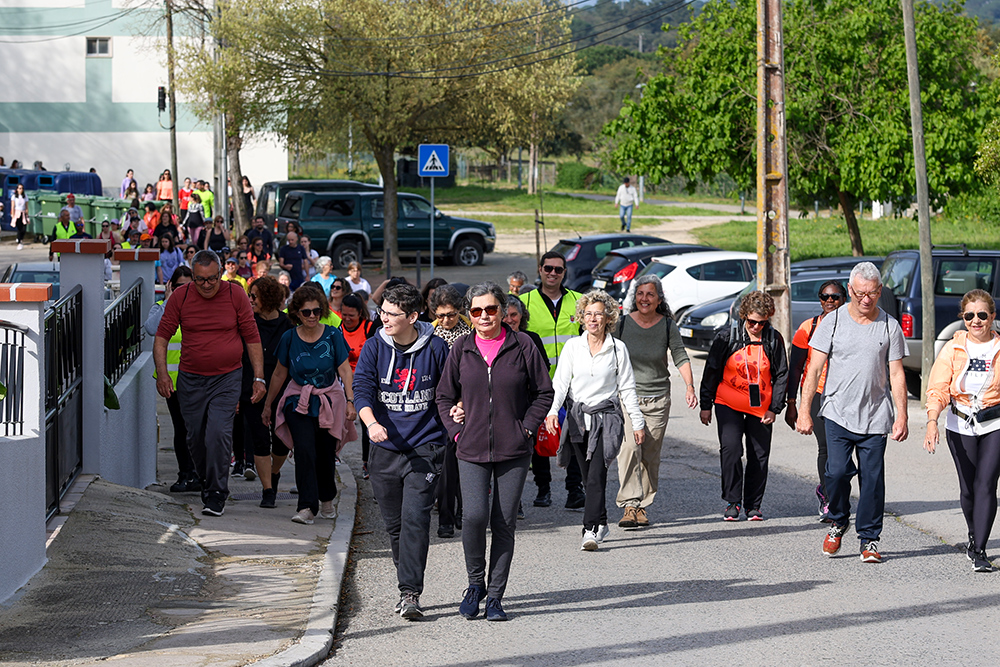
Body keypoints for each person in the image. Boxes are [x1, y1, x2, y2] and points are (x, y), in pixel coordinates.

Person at [436, 283, 553, 621]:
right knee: (473, 517)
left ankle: (496, 597)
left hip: (514, 449)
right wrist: (457, 430)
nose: (484, 316)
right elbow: (444, 397)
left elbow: (544, 393)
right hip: (470, 447)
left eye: (490, 309)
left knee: (503, 523)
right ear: (468, 315)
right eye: (476, 311)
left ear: (502, 311)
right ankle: (475, 585)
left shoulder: (524, 345)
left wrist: (526, 428)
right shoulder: (462, 347)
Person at [796, 261, 909, 564]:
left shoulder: (889, 326)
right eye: (859, 294)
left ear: (879, 291)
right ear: (850, 290)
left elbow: (897, 374)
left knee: (872, 481)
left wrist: (902, 416)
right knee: (836, 472)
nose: (865, 300)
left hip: (875, 416)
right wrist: (803, 411)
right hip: (836, 412)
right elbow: (815, 367)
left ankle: (869, 539)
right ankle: (838, 519)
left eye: (871, 294)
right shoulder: (832, 323)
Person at [352, 282, 450, 620]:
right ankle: (406, 577)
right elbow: (362, 389)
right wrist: (370, 424)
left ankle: (410, 592)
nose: (384, 319)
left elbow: (450, 391)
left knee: (414, 519)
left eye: (392, 314)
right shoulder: (374, 347)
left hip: (425, 446)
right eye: (382, 312)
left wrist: (458, 411)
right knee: (394, 525)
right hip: (384, 448)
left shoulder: (436, 348)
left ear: (413, 315)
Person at [154, 249, 265, 517]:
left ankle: (216, 492)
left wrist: (259, 377)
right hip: (191, 379)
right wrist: (163, 373)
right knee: (195, 437)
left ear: (220, 275)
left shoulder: (235, 294)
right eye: (201, 280)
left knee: (218, 433)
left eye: (212, 279)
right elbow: (161, 337)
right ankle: (206, 480)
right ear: (193, 277)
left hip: (227, 378)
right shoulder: (180, 297)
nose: (207, 285)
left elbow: (251, 337)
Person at [545, 290, 643, 551]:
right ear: (581, 318)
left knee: (596, 475)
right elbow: (561, 383)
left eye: (598, 314)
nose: (593, 319)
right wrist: (553, 412)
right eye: (588, 314)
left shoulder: (617, 349)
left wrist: (638, 421)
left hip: (607, 420)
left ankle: (588, 530)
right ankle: (602, 522)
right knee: (589, 476)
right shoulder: (572, 347)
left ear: (608, 317)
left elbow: (628, 388)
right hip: (578, 419)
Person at [264, 284, 357, 524]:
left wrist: (349, 400)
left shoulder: (333, 335)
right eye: (306, 312)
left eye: (317, 311)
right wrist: (268, 405)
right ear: (297, 313)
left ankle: (326, 497)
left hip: (329, 399)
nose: (312, 316)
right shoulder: (289, 337)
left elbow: (345, 370)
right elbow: (278, 374)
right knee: (304, 450)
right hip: (298, 401)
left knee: (325, 453)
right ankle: (306, 506)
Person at [613, 275, 698, 528]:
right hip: (628, 397)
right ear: (634, 297)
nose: (644, 299)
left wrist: (690, 387)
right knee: (629, 449)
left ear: (659, 299)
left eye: (650, 294)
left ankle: (643, 506)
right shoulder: (623, 324)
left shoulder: (667, 325)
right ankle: (629, 504)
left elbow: (680, 355)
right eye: (640, 294)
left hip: (658, 399)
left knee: (649, 453)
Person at [925, 289, 1000, 572]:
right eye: (970, 316)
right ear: (963, 318)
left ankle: (980, 549)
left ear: (992, 317)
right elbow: (938, 388)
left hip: (995, 423)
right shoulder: (953, 348)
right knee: (968, 489)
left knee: (986, 484)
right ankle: (973, 534)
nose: (976, 321)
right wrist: (932, 421)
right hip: (960, 423)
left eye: (982, 315)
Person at [700, 291, 788, 522]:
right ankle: (732, 502)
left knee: (759, 455)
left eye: (762, 322)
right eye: (752, 321)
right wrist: (705, 404)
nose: (756, 326)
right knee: (731, 450)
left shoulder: (773, 339)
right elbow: (711, 370)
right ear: (743, 316)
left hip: (761, 407)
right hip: (728, 402)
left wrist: (775, 408)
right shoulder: (727, 337)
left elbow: (781, 375)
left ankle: (753, 505)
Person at [519, 250, 585, 510]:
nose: (553, 273)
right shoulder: (524, 301)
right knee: (540, 437)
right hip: (538, 383)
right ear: (540, 269)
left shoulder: (579, 301)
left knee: (575, 435)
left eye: (558, 269)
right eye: (548, 268)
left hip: (575, 383)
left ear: (564, 272)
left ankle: (574, 489)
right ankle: (543, 489)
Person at [785, 280, 848, 521]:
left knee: (843, 450)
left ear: (845, 298)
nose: (830, 301)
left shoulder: (854, 325)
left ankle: (837, 490)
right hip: (818, 394)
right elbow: (796, 369)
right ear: (820, 300)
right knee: (827, 448)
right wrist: (793, 405)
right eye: (825, 297)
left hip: (846, 395)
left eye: (835, 297)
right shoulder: (808, 328)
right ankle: (828, 496)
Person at [238, 276, 296, 507]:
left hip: (283, 389)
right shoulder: (246, 323)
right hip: (251, 388)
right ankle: (268, 490)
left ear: (268, 298)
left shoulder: (288, 325)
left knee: (281, 441)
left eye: (254, 296)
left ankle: (274, 472)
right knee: (259, 440)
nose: (250, 300)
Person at [145, 267, 200, 492]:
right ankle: (185, 474)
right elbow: (151, 329)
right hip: (172, 383)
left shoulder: (200, 308)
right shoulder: (161, 308)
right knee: (181, 428)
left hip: (198, 381)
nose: (183, 291)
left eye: (188, 286)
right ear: (170, 286)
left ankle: (199, 474)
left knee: (197, 430)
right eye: (178, 287)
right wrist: (169, 302)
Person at [427, 284, 473, 538]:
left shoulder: (472, 332)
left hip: (470, 405)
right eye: (441, 314)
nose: (446, 320)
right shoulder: (427, 335)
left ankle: (464, 513)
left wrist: (464, 402)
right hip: (439, 407)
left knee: (467, 463)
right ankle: (445, 518)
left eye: (452, 314)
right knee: (445, 467)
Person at [341, 293, 376, 479]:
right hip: (343, 380)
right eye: (344, 314)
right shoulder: (338, 329)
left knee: (367, 422)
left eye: (351, 315)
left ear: (360, 314)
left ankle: (367, 462)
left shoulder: (369, 327)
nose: (346, 319)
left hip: (365, 381)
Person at [11, 183, 28, 250]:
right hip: (17, 212)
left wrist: (27, 214)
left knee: (24, 228)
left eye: (22, 188)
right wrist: (13, 215)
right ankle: (19, 240)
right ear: (17, 189)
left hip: (23, 213)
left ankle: (20, 238)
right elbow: (12, 206)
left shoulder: (25, 196)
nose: (21, 190)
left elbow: (26, 206)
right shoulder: (14, 197)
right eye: (20, 188)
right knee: (19, 227)